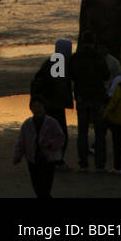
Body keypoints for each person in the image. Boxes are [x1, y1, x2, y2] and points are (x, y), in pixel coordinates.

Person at [69, 30, 110, 171]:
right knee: (99, 132)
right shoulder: (99, 58)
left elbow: (71, 75)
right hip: (97, 97)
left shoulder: (76, 58)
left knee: (82, 132)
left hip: (82, 96)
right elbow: (106, 75)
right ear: (93, 43)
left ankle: (83, 163)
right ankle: (99, 164)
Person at [31, 39, 74, 167]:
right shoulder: (59, 64)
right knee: (60, 134)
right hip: (55, 105)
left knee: (50, 133)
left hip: (48, 104)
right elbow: (59, 86)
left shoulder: (50, 62)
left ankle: (50, 159)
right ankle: (56, 161)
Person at [13, 96, 64, 199]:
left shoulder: (52, 122)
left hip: (48, 160)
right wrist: (17, 156)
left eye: (39, 106)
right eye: (34, 106)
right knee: (37, 188)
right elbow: (21, 141)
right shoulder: (27, 124)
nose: (37, 109)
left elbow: (60, 138)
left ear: (44, 107)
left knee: (45, 188)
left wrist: (50, 144)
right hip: (33, 160)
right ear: (31, 109)